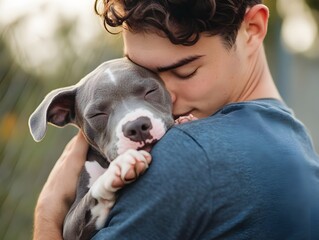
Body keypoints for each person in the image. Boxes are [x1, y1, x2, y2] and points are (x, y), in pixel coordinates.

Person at [33, 0, 319, 239]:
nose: (163, 99)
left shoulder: (187, 154)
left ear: (252, 29)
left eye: (185, 72)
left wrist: (47, 214)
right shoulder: (295, 142)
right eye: (142, 74)